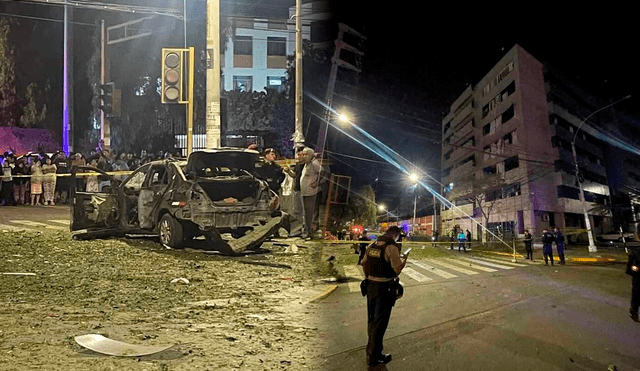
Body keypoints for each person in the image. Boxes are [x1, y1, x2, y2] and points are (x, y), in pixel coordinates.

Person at [361, 226, 408, 366]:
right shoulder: (391, 247)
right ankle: (374, 356)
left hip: (370, 286)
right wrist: (404, 260)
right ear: (395, 235)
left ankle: (371, 350)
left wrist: (368, 278)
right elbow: (397, 269)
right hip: (384, 288)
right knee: (380, 323)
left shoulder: (373, 245)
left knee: (372, 320)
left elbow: (364, 263)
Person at [299, 147, 328, 240]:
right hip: (305, 193)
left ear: (310, 155)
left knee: (311, 214)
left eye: (305, 154)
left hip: (312, 193)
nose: (303, 156)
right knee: (306, 214)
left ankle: (311, 233)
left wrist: (316, 183)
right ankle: (307, 232)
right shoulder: (306, 164)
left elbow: (323, 172)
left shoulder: (315, 163)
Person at [626, 247, 640, 322]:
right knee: (636, 294)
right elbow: (631, 267)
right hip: (638, 277)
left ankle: (634, 311)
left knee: (636, 294)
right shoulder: (635, 252)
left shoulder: (635, 252)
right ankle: (634, 312)